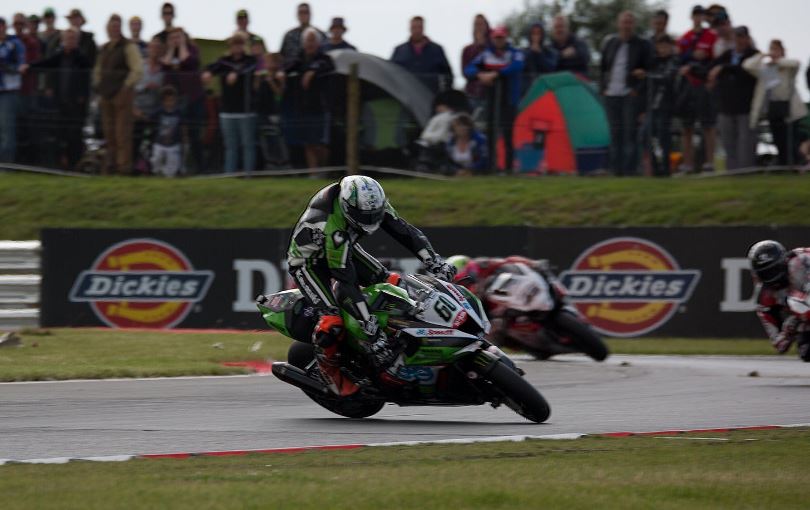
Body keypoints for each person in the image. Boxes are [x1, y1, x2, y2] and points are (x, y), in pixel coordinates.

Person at [286, 175, 457, 396]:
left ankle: (404, 332)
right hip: (309, 262)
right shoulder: (333, 227)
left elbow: (403, 230)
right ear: (347, 207)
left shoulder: (371, 201)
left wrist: (433, 260)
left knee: (389, 280)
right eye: (362, 216)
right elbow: (346, 282)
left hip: (343, 247)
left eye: (373, 215)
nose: (370, 220)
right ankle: (329, 372)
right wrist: (368, 324)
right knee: (332, 319)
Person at [22, 28, 92, 170]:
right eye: (67, 38)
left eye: (72, 39)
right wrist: (29, 66)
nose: (69, 41)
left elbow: (87, 81)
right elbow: (46, 63)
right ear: (62, 40)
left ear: (77, 41)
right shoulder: (59, 56)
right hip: (61, 103)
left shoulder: (82, 59)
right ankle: (61, 165)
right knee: (61, 135)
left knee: (75, 136)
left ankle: (75, 165)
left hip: (76, 106)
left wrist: (82, 97)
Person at [464, 25, 524, 173]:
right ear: (492, 39)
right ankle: (491, 167)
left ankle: (509, 168)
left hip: (509, 100)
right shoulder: (485, 55)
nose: (498, 41)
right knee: (490, 133)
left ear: (506, 38)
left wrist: (495, 74)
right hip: (490, 99)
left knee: (508, 134)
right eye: (496, 38)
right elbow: (469, 69)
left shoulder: (514, 53)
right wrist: (480, 75)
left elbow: (517, 66)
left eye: (501, 38)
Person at [600, 11, 652, 176]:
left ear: (634, 25)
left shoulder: (642, 45)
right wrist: (604, 88)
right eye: (624, 22)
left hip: (629, 95)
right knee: (615, 134)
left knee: (630, 134)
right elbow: (602, 68)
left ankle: (631, 171)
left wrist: (636, 90)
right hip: (611, 95)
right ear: (618, 24)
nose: (626, 26)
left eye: (630, 22)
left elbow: (649, 71)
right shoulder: (610, 43)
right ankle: (616, 171)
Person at [744, 40, 808, 167]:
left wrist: (777, 61)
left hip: (789, 109)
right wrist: (762, 56)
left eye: (776, 49)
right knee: (778, 138)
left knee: (791, 139)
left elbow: (796, 64)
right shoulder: (765, 69)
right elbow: (748, 66)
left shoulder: (787, 68)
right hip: (773, 108)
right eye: (771, 49)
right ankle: (783, 164)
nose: (773, 52)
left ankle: (799, 163)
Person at [93, 14, 143, 175]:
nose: (113, 29)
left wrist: (126, 88)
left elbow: (138, 69)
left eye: (116, 26)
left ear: (120, 28)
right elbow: (98, 70)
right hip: (106, 95)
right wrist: (99, 87)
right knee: (109, 134)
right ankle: (111, 165)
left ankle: (124, 169)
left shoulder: (128, 46)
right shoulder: (105, 48)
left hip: (122, 95)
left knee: (122, 134)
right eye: (111, 26)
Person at [202, 31, 258, 173]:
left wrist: (236, 74)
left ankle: (248, 175)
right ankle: (230, 175)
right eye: (234, 44)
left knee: (248, 145)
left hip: (246, 111)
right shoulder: (224, 60)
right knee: (230, 146)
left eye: (240, 44)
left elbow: (248, 69)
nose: (237, 47)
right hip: (227, 111)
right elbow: (212, 67)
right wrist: (208, 72)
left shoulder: (250, 60)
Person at [748, 240, 810, 362]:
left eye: (774, 270)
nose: (772, 277)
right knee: (807, 351)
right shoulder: (763, 299)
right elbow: (779, 345)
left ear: (784, 261)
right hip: (805, 318)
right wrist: (788, 330)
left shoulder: (802, 258)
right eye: (765, 273)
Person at [708, 25, 758, 171]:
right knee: (728, 143)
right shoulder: (727, 55)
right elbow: (711, 68)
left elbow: (745, 70)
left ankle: (746, 171)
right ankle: (732, 172)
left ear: (748, 39)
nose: (739, 40)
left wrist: (723, 68)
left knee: (745, 143)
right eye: (737, 37)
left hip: (746, 107)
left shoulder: (755, 55)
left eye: (742, 37)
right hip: (726, 106)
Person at [284, 27, 335, 169]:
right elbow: (286, 68)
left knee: (320, 143)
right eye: (307, 40)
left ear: (318, 43)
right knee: (308, 143)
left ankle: (324, 170)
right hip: (302, 107)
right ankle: (314, 174)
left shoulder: (325, 59)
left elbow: (328, 66)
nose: (310, 43)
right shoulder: (298, 59)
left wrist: (312, 71)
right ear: (303, 43)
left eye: (313, 40)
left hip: (320, 107)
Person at [675, 5, 717, 173]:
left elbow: (716, 58)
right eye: (695, 15)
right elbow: (678, 58)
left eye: (701, 15)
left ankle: (710, 162)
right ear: (691, 17)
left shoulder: (711, 36)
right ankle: (688, 164)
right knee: (687, 126)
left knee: (708, 124)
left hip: (704, 84)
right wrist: (690, 57)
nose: (698, 18)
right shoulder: (685, 37)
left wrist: (705, 58)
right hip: (688, 85)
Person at [161, 28, 205, 173]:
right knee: (176, 134)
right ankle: (176, 167)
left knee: (194, 134)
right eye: (172, 37)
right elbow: (165, 63)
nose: (176, 40)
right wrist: (171, 48)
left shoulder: (192, 50)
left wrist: (182, 46)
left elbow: (187, 60)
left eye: (178, 37)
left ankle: (199, 166)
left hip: (193, 98)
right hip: (176, 100)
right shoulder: (169, 53)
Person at [642, 35, 679, 177]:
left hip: (666, 105)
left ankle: (666, 168)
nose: (663, 49)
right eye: (660, 46)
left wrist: (648, 76)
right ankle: (656, 167)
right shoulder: (655, 62)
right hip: (653, 106)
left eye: (665, 46)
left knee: (664, 137)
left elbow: (667, 78)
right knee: (645, 135)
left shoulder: (673, 61)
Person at [391, 16, 453, 94]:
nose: (417, 30)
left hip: (431, 94)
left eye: (419, 27)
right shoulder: (399, 51)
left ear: (423, 28)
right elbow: (392, 72)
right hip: (406, 94)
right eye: (414, 27)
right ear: (410, 28)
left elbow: (447, 75)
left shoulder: (437, 49)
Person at [133, 37, 164, 173]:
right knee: (135, 142)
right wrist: (145, 87)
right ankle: (133, 169)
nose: (155, 51)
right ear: (148, 49)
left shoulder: (164, 70)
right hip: (138, 111)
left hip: (155, 113)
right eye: (153, 47)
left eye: (158, 48)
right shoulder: (140, 67)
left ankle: (150, 169)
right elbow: (132, 89)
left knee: (152, 144)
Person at [0, 17, 25, 163]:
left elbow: (21, 67)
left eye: (1, 25)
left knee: (7, 131)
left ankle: (5, 166)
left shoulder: (15, 44)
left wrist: (6, 67)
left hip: (8, 92)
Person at [150, 85, 183, 177]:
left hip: (173, 144)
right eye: (167, 101)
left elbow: (183, 126)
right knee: (156, 158)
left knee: (172, 166)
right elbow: (149, 118)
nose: (170, 103)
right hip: (159, 143)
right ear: (162, 101)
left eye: (172, 100)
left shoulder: (178, 112)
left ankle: (168, 176)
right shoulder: (159, 112)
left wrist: (184, 139)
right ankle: (157, 172)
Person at [461, 14, 490, 109]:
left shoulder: (492, 49)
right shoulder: (467, 50)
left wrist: (483, 46)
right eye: (476, 24)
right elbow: (465, 72)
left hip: (489, 94)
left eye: (481, 24)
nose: (479, 27)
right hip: (471, 94)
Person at [522, 22, 558, 92]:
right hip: (527, 91)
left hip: (545, 89)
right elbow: (521, 67)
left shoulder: (550, 51)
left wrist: (540, 54)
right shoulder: (523, 52)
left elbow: (551, 68)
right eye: (533, 33)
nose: (536, 36)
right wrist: (531, 52)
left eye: (538, 33)